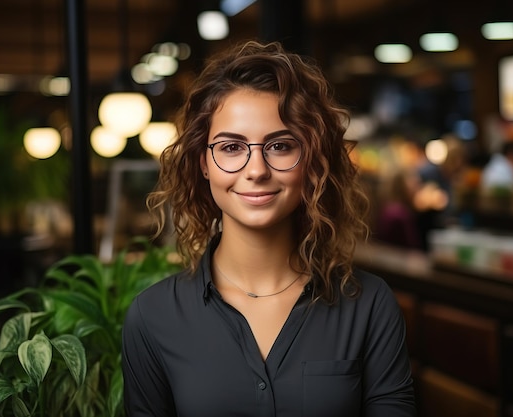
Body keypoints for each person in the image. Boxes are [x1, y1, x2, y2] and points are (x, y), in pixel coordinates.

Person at [122, 40, 415, 417]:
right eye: (231, 147)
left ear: (311, 160)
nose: (256, 170)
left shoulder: (370, 306)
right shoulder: (152, 317)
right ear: (203, 163)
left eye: (279, 146)